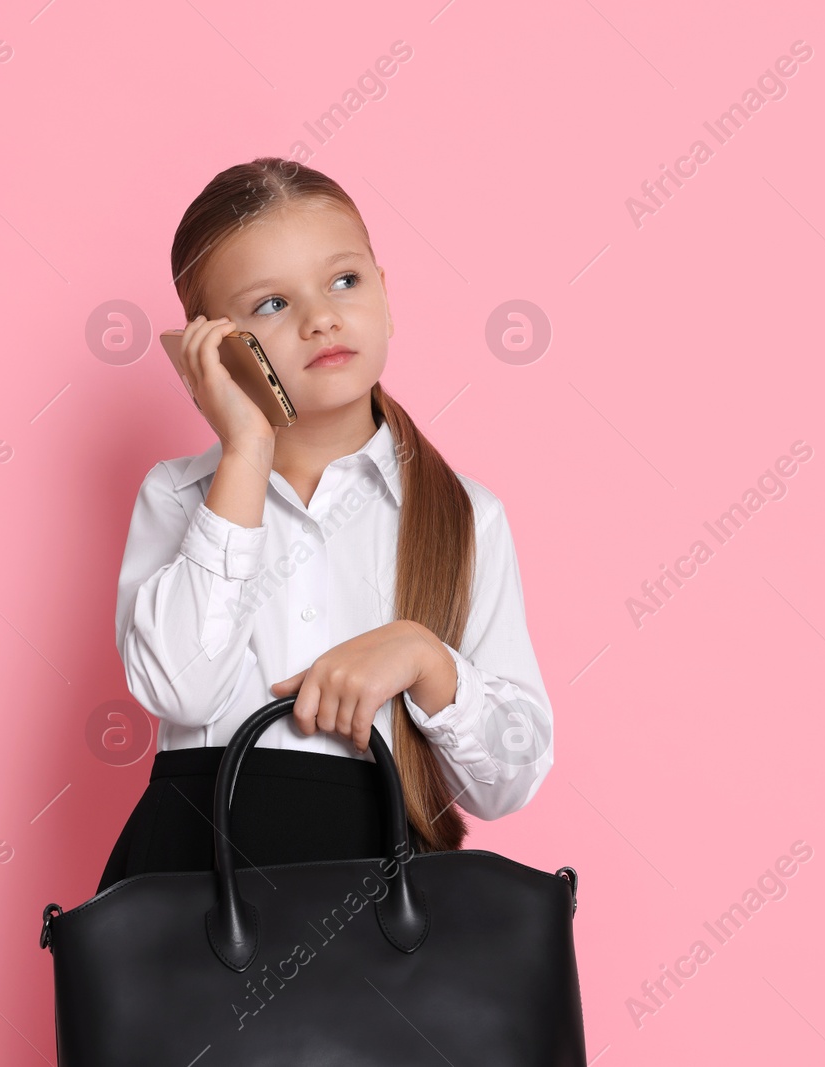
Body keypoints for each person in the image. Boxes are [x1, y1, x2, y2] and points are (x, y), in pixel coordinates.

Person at [97, 157, 553, 894]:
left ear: (385, 292)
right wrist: (246, 449)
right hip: (202, 903)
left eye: (345, 281)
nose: (321, 318)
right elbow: (178, 687)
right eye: (271, 304)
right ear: (211, 347)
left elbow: (509, 780)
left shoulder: (465, 515)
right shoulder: (178, 497)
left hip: (387, 918)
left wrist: (426, 657)